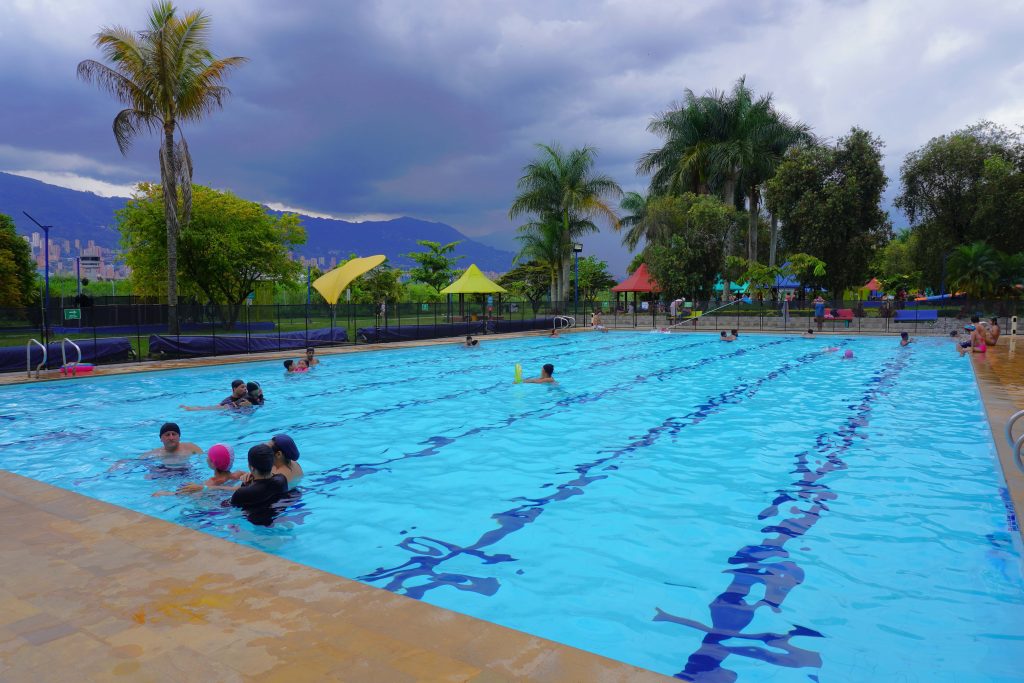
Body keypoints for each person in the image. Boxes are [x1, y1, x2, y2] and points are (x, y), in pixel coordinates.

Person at [153, 443, 245, 496]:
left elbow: (185, 493)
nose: (206, 458)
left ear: (213, 463)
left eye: (208, 457)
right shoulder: (240, 474)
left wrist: (166, 493)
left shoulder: (209, 483)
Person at [230, 444, 288, 510]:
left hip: (253, 519)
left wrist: (244, 484)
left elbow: (228, 506)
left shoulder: (242, 493)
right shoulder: (281, 480)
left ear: (251, 468)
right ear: (272, 463)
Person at [181, 380, 251, 411]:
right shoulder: (227, 401)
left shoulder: (246, 396)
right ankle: (191, 408)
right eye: (242, 387)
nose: (245, 389)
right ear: (234, 389)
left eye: (245, 387)